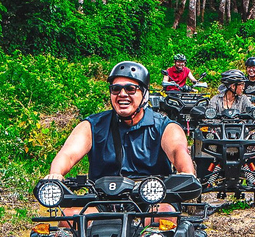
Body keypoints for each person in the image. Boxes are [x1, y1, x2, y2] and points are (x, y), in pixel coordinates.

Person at [45, 61, 194, 182]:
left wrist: (187, 173)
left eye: (131, 89)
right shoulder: (92, 126)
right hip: (102, 201)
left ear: (144, 94)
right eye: (116, 89)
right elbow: (68, 154)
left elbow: (178, 151)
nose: (122, 94)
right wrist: (56, 174)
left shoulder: (164, 127)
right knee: (69, 217)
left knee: (166, 212)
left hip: (151, 202)